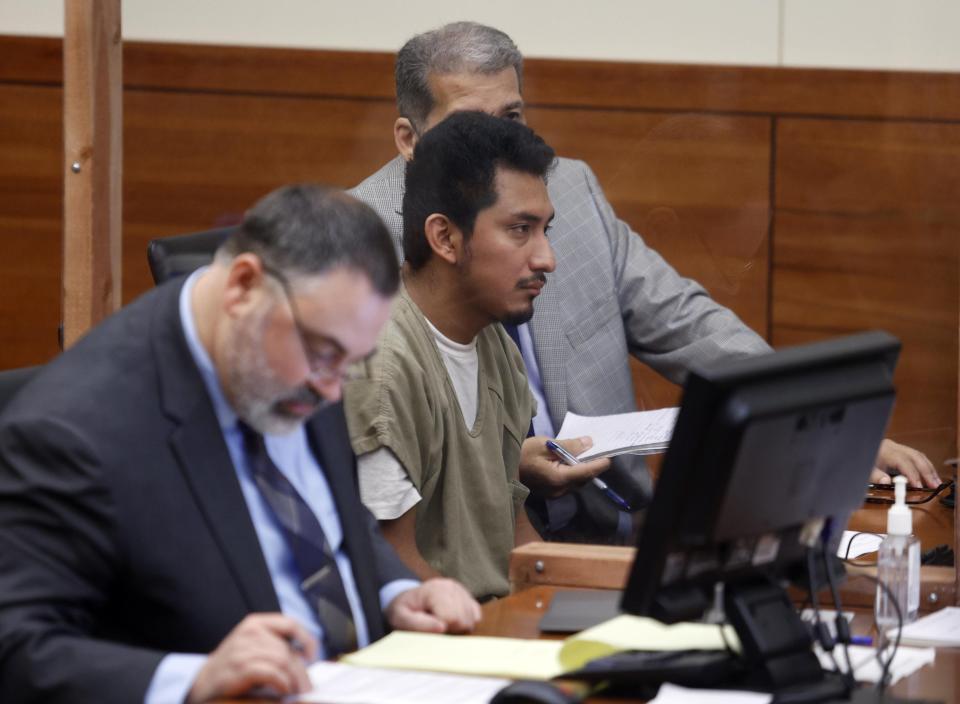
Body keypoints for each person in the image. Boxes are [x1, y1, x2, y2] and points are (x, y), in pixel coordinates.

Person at [351, 21, 940, 544]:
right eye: (468, 127)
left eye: (511, 118)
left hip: (619, 524)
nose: (497, 145)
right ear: (410, 140)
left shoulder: (568, 193)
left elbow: (685, 322)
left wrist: (823, 425)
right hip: (464, 544)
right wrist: (507, 464)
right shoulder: (359, 246)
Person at [0, 185, 481, 704]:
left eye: (351, 361)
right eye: (324, 355)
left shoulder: (310, 348)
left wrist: (395, 593)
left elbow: (332, 517)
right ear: (244, 287)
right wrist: (193, 678)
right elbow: (19, 649)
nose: (332, 388)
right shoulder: (74, 432)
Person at [343, 111, 606, 600]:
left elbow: (515, 533)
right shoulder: (383, 367)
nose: (547, 258)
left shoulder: (493, 341)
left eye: (546, 229)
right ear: (445, 237)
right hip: (436, 647)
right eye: (520, 229)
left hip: (493, 626)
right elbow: (396, 572)